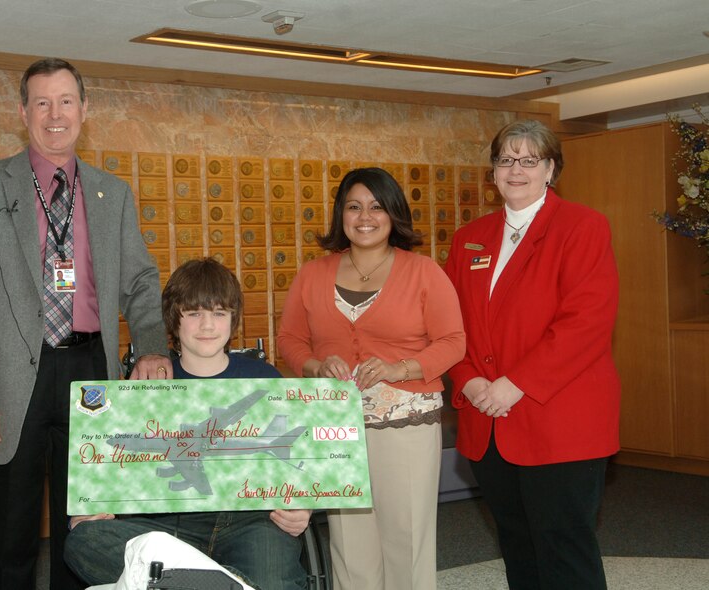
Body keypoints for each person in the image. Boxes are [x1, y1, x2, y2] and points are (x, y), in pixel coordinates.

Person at [0, 57, 172, 590]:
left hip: (93, 375)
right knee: (10, 536)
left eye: (66, 101)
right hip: (13, 380)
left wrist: (154, 346)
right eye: (41, 103)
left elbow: (140, 280)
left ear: (84, 110)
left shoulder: (111, 194)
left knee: (85, 532)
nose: (54, 114)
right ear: (23, 113)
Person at [444, 120, 620, 590]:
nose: (515, 169)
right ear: (493, 171)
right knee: (517, 543)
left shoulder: (582, 227)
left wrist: (515, 384)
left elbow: (585, 324)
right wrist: (469, 381)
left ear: (551, 169)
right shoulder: (469, 238)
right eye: (505, 159)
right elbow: (449, 327)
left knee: (563, 546)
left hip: (558, 419)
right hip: (488, 420)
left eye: (529, 160)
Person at [64, 258, 310, 590]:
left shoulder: (266, 379)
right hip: (163, 522)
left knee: (275, 575)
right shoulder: (146, 380)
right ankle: (219, 582)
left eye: (219, 313)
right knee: (84, 540)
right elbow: (109, 459)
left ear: (233, 319)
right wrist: (93, 506)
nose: (207, 325)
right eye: (194, 314)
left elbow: (306, 467)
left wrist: (303, 508)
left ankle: (186, 579)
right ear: (173, 321)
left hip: (251, 522)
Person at [277, 167, 465, 590]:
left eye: (377, 207)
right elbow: (290, 339)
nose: (365, 216)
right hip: (335, 426)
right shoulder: (313, 273)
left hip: (405, 424)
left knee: (406, 538)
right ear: (340, 215)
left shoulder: (424, 272)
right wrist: (315, 366)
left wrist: (402, 368)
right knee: (349, 543)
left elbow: (453, 341)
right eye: (354, 206)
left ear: (393, 214)